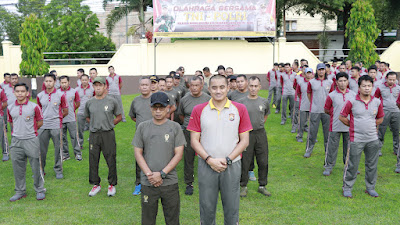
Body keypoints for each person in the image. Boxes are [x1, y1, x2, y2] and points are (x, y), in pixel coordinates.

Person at [188, 75, 252, 225]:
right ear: (209, 89)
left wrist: (228, 159)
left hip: (232, 165)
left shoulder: (240, 109)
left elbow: (245, 141)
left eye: (222, 87)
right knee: (207, 207)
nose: (218, 91)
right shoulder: (198, 110)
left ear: (228, 88)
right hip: (206, 165)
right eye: (214, 87)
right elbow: (194, 141)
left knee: (231, 208)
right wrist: (209, 160)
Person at [133, 91, 185, 225]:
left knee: (172, 220)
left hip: (169, 182)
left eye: (161, 108)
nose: (157, 111)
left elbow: (178, 154)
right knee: (147, 220)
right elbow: (138, 153)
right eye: (154, 107)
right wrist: (150, 175)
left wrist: (162, 174)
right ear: (150, 108)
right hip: (147, 182)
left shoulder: (175, 127)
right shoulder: (142, 127)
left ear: (168, 108)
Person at [340, 75, 384, 198]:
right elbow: (342, 117)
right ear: (359, 87)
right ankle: (347, 188)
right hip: (356, 139)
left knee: (372, 165)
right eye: (364, 86)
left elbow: (380, 118)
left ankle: (370, 187)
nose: (366, 88)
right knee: (352, 165)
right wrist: (353, 125)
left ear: (372, 87)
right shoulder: (351, 101)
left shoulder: (377, 102)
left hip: (372, 139)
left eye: (369, 86)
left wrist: (370, 125)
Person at [8, 83, 46, 202]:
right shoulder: (10, 108)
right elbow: (11, 122)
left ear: (27, 93)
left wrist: (30, 131)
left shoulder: (34, 107)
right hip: (16, 141)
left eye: (22, 91)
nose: (20, 93)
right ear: (14, 93)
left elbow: (40, 122)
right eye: (17, 91)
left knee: (36, 166)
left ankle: (39, 189)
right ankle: (20, 191)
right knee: (17, 167)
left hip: (31, 140)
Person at [85, 77, 122, 197]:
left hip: (108, 134)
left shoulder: (111, 101)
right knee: (93, 159)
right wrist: (95, 124)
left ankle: (112, 185)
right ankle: (96, 184)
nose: (98, 87)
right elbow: (87, 117)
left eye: (100, 85)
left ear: (105, 86)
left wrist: (110, 124)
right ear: (93, 87)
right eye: (95, 85)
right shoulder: (89, 102)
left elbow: (119, 116)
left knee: (111, 158)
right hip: (94, 134)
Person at [237, 76, 270, 197]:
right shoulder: (241, 102)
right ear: (247, 86)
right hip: (246, 134)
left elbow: (265, 116)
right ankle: (243, 186)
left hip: (260, 133)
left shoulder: (264, 101)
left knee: (263, 160)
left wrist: (258, 125)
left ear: (260, 87)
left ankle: (262, 185)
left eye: (256, 86)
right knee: (245, 160)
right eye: (251, 86)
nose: (253, 88)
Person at [177, 76, 211, 196]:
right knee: (188, 157)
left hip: (205, 132)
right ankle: (189, 183)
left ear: (202, 86)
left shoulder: (208, 99)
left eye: (197, 85)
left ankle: (208, 181)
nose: (194, 88)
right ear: (189, 86)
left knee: (207, 156)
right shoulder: (184, 100)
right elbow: (181, 115)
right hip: (189, 132)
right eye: (192, 85)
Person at [323, 72, 356, 176]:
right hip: (335, 125)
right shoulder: (331, 95)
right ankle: (328, 166)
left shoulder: (353, 95)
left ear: (347, 81)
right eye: (340, 81)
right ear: (336, 82)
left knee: (349, 148)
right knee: (332, 148)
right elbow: (326, 109)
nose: (342, 83)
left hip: (349, 126)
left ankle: (349, 166)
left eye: (345, 81)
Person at [37, 73, 68, 179]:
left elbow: (65, 110)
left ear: (55, 82)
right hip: (43, 127)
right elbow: (39, 111)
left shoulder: (60, 95)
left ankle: (58, 170)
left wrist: (57, 118)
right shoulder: (40, 96)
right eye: (46, 81)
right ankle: (41, 170)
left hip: (56, 126)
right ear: (44, 82)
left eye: (50, 81)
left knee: (58, 149)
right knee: (41, 150)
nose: (48, 83)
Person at [129, 77, 153, 196]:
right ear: (139, 87)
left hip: (155, 134)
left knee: (155, 158)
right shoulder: (135, 101)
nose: (144, 87)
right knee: (139, 159)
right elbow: (133, 116)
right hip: (140, 135)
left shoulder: (155, 99)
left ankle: (154, 180)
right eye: (142, 85)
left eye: (146, 85)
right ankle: (139, 183)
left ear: (150, 86)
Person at [304, 63, 332, 158]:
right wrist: (313, 103)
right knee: (312, 132)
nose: (321, 71)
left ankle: (327, 151)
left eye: (322, 69)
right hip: (315, 110)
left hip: (327, 112)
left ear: (325, 70)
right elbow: (309, 94)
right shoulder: (312, 82)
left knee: (327, 133)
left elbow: (332, 96)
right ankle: (309, 149)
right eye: (319, 69)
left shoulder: (330, 82)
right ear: (317, 71)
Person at [374, 71, 400, 156]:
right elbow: (375, 99)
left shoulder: (398, 88)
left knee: (396, 131)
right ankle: (378, 149)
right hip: (384, 112)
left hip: (396, 112)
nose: (392, 81)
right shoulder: (380, 88)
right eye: (390, 79)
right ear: (386, 79)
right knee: (381, 131)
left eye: (394, 79)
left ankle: (396, 150)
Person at [57, 76, 82, 161]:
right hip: (61, 119)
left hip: (71, 119)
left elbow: (78, 103)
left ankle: (78, 154)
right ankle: (65, 154)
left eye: (65, 82)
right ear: (59, 83)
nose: (64, 84)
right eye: (62, 82)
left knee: (74, 137)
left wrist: (72, 110)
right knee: (63, 138)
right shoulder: (56, 93)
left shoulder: (74, 92)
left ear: (69, 82)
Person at [76, 74, 94, 148]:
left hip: (91, 112)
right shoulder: (76, 90)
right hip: (80, 112)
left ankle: (92, 143)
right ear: (80, 81)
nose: (84, 81)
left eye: (85, 80)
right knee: (80, 129)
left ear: (88, 80)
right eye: (82, 80)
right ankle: (80, 144)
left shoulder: (92, 89)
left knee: (92, 128)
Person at [296, 68, 313, 142]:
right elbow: (298, 93)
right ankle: (299, 136)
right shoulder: (300, 82)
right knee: (302, 123)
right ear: (305, 74)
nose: (308, 75)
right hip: (303, 105)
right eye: (307, 73)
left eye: (310, 73)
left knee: (312, 123)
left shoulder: (314, 83)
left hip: (313, 107)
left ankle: (312, 137)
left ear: (312, 74)